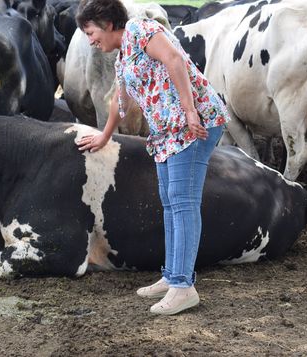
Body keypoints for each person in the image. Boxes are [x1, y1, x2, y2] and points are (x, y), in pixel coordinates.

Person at [75, 0, 230, 315]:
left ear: (106, 22)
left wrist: (190, 111)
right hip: (168, 131)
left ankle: (184, 287)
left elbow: (174, 59)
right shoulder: (124, 54)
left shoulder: (141, 28)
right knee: (169, 200)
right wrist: (105, 134)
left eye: (90, 32)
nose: (90, 40)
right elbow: (121, 95)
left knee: (182, 200)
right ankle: (172, 276)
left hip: (194, 123)